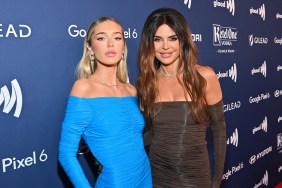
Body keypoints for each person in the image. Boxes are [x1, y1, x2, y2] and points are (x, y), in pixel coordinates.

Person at [137, 8, 226, 188]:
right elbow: (150, 134)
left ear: (183, 40)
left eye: (172, 38)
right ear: (149, 43)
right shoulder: (145, 83)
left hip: (195, 174)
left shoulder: (204, 77)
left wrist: (216, 180)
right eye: (157, 39)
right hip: (157, 174)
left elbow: (219, 130)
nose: (165, 47)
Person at [58, 17, 152, 188]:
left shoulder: (131, 90)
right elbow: (66, 154)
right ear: (90, 47)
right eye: (101, 38)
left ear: (123, 46)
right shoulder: (83, 88)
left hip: (146, 177)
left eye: (117, 38)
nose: (110, 44)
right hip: (116, 183)